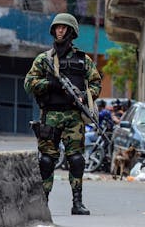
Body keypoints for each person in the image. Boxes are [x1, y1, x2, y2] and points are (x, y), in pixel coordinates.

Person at [24, 13, 101, 215]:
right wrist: (50, 84)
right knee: (47, 160)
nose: (60, 30)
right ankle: (43, 203)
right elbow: (28, 83)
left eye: (64, 27)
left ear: (71, 31)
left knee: (76, 159)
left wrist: (86, 95)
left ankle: (77, 203)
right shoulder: (45, 59)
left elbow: (96, 82)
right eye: (57, 27)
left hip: (74, 117)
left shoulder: (83, 60)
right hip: (50, 115)